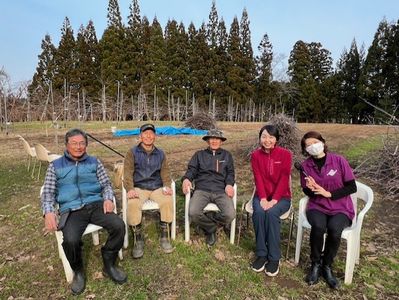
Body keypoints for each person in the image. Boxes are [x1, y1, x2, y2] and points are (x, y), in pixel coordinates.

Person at [41, 128, 127, 295]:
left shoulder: (94, 162)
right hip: (71, 209)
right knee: (71, 240)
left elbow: (106, 184)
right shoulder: (55, 166)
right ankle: (78, 270)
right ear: (66, 145)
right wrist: (48, 212)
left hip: (95, 204)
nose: (78, 147)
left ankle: (109, 262)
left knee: (119, 226)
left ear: (86, 145)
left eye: (81, 143)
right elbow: (48, 192)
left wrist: (108, 198)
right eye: (74, 143)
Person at [299, 131, 357, 289]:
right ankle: (315, 264)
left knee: (334, 229)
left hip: (341, 207)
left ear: (322, 142)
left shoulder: (339, 160)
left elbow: (352, 187)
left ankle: (327, 266)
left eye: (315, 143)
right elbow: (306, 191)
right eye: (308, 145)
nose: (312, 147)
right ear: (305, 149)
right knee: (318, 227)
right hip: (317, 206)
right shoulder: (305, 166)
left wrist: (329, 193)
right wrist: (311, 189)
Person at [123, 123, 174, 259]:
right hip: (139, 187)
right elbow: (127, 173)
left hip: (157, 187)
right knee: (133, 204)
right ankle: (137, 239)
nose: (148, 136)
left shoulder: (160, 153)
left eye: (151, 133)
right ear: (140, 136)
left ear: (155, 136)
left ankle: (164, 236)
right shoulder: (132, 152)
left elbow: (166, 172)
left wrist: (167, 186)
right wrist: (130, 189)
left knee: (168, 201)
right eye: (145, 133)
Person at [182, 128, 236, 246]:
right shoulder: (199, 155)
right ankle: (211, 228)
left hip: (221, 190)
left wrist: (229, 184)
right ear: (207, 141)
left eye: (217, 139)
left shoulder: (227, 155)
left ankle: (208, 222)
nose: (214, 141)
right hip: (202, 190)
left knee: (230, 215)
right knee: (193, 212)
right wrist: (186, 179)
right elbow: (191, 170)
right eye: (212, 138)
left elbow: (231, 173)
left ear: (221, 141)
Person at [250, 124, 292, 277]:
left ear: (276, 139)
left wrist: (274, 200)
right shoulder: (255, 155)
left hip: (282, 197)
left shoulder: (285, 155)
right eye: (264, 136)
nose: (267, 140)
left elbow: (283, 178)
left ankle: (274, 258)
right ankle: (261, 253)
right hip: (261, 195)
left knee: (272, 213)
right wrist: (262, 198)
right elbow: (258, 178)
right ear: (260, 138)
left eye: (271, 137)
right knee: (259, 213)